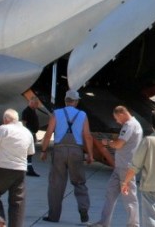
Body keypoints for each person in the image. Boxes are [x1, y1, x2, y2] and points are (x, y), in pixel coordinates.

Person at [41, 89, 94, 223]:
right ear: (76, 102)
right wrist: (90, 155)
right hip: (76, 151)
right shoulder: (82, 115)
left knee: (56, 184)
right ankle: (83, 210)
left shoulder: (57, 113)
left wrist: (43, 150)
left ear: (65, 100)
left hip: (59, 151)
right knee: (79, 182)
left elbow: (48, 133)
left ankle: (53, 216)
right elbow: (87, 136)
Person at [89, 106, 143, 227]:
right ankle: (104, 222)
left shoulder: (129, 125)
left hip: (126, 168)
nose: (117, 121)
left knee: (129, 198)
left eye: (117, 118)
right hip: (121, 167)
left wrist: (107, 142)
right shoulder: (135, 124)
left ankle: (134, 225)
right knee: (110, 193)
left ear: (122, 114)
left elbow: (119, 144)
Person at [0, 109, 35, 227]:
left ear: (5, 120)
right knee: (17, 202)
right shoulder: (27, 132)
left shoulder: (4, 129)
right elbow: (31, 152)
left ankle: (0, 218)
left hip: (3, 168)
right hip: (20, 170)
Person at [21, 97, 41, 177]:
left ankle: (29, 168)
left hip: (32, 134)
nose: (37, 105)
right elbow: (24, 123)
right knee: (28, 152)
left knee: (30, 152)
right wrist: (26, 134)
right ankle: (29, 169)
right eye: (36, 104)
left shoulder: (33, 111)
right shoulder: (26, 111)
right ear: (31, 103)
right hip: (29, 134)